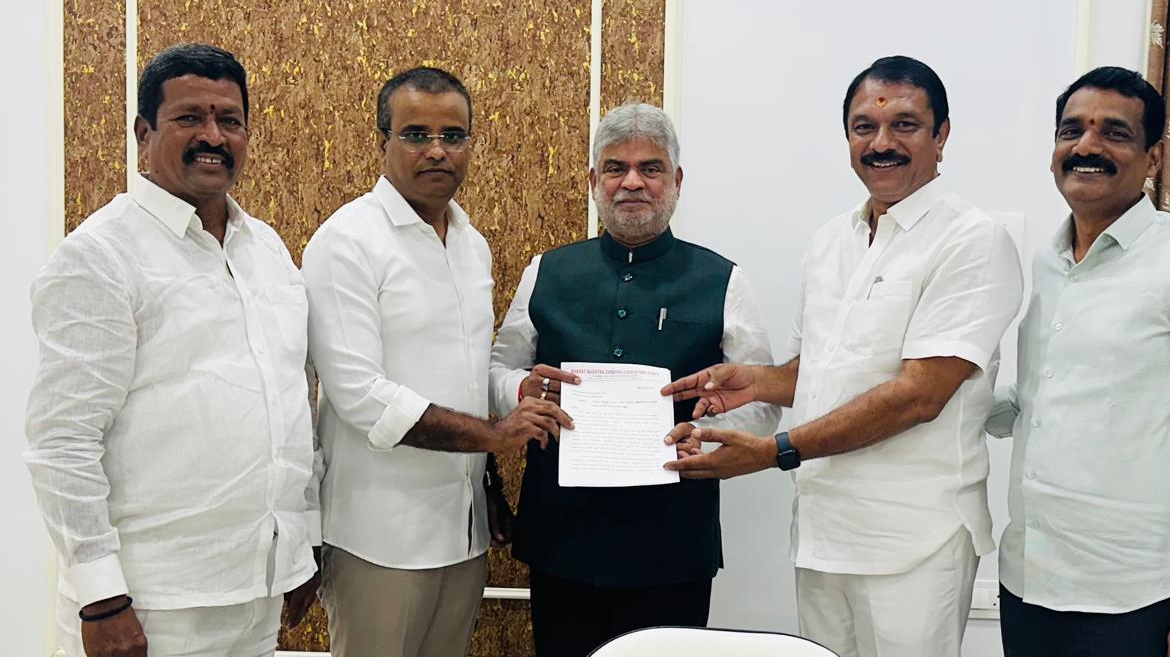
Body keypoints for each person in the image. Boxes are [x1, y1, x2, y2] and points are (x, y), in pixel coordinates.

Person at [663, 56, 1023, 657]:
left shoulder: (972, 241)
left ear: (941, 135)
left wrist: (775, 451)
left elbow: (920, 395)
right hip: (823, 532)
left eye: (904, 125)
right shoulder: (832, 240)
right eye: (864, 127)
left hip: (915, 541)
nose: (881, 143)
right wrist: (755, 383)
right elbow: (817, 373)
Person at [26, 43, 319, 657]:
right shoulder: (101, 256)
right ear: (144, 133)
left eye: (229, 119)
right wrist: (101, 599)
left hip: (256, 590)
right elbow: (63, 441)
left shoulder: (265, 249)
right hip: (150, 604)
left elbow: (290, 405)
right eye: (189, 117)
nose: (212, 135)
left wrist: (300, 544)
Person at [489, 102, 780, 657]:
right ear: (593, 181)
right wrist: (523, 393)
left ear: (677, 181)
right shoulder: (546, 271)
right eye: (616, 168)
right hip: (562, 536)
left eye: (650, 168)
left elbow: (762, 403)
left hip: (673, 541)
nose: (632, 182)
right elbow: (498, 372)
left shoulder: (724, 279)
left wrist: (709, 438)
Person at [985, 66, 1170, 657]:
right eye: (1072, 130)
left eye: (1114, 132)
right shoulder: (1048, 262)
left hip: (1135, 597)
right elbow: (1039, 399)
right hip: (1027, 582)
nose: (1087, 146)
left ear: (1153, 158)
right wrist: (940, 390)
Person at [302, 66, 568, 657]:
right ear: (382, 141)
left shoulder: (472, 245)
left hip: (463, 531)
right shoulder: (347, 242)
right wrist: (495, 435)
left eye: (453, 135)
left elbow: (467, 376)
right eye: (416, 134)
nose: (437, 150)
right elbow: (361, 397)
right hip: (380, 539)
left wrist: (511, 414)